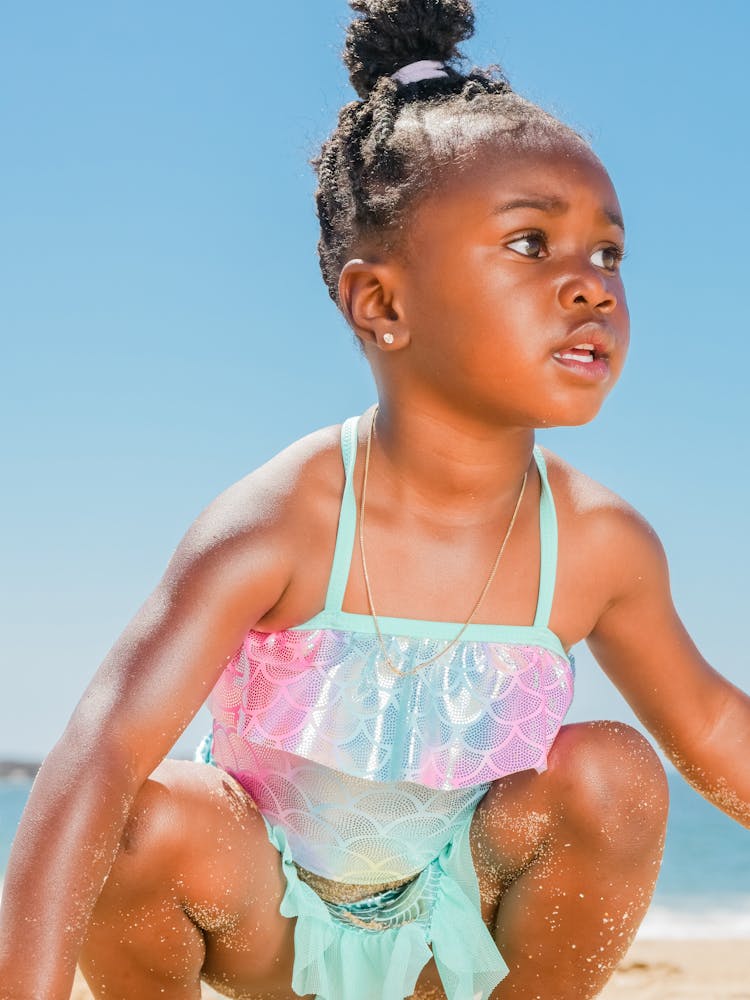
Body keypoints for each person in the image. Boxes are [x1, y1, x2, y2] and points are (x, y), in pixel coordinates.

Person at [1, 1, 749, 998]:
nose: (589, 285)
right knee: (141, 813)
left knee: (616, 773)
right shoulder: (284, 516)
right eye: (530, 245)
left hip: (455, 931)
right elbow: (97, 756)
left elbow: (713, 732)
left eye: (607, 253)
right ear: (381, 303)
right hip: (262, 920)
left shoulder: (601, 544)